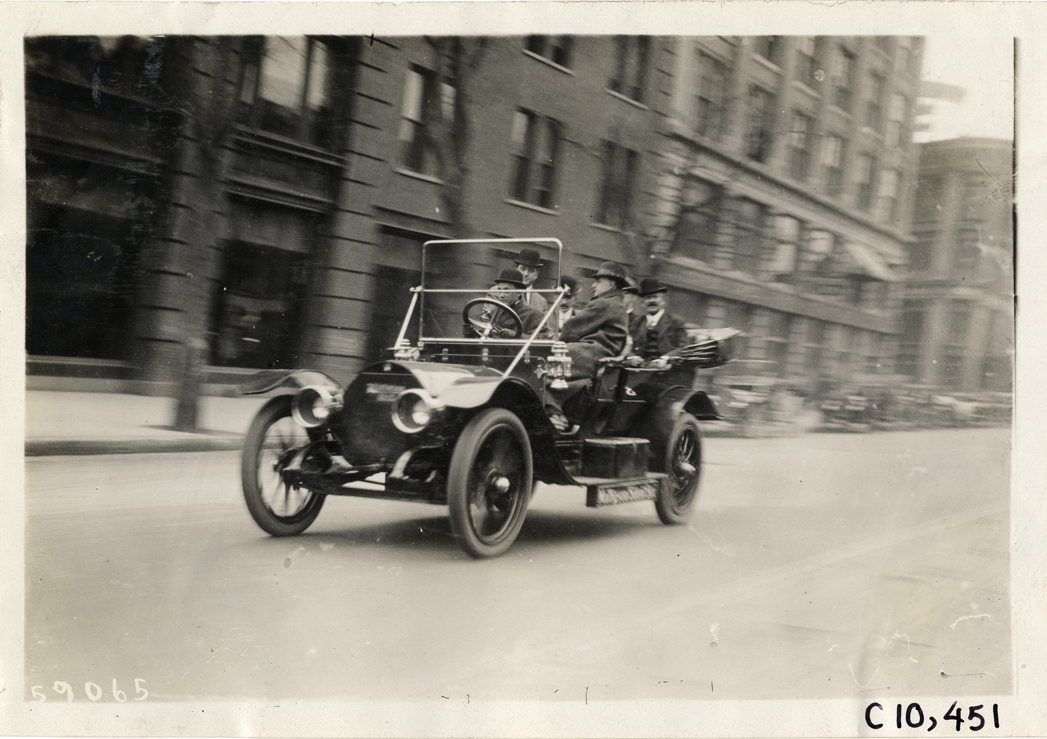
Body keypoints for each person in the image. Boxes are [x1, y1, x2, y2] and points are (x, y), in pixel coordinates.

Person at [545, 262, 630, 429]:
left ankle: (555, 413)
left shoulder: (603, 303)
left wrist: (558, 343)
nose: (593, 285)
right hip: (601, 352)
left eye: (598, 281)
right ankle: (561, 413)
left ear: (610, 284)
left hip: (594, 350)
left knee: (543, 363)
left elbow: (571, 329)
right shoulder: (618, 304)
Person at [627, 277, 689, 368]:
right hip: (640, 372)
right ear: (642, 303)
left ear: (663, 301)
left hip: (666, 373)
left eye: (655, 297)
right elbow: (628, 347)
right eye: (648, 298)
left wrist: (665, 358)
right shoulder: (637, 322)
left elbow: (684, 348)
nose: (651, 301)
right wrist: (632, 357)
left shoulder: (675, 321)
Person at [464, 269, 545, 338]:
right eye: (499, 290)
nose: (501, 295)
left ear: (519, 292)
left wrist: (517, 335)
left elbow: (542, 340)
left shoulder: (534, 315)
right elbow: (483, 337)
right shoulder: (493, 312)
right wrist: (470, 334)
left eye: (507, 291)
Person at [514, 247, 549, 314]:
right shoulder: (501, 292)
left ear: (536, 274)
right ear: (516, 269)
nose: (526, 274)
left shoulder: (541, 302)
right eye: (522, 269)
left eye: (531, 270)